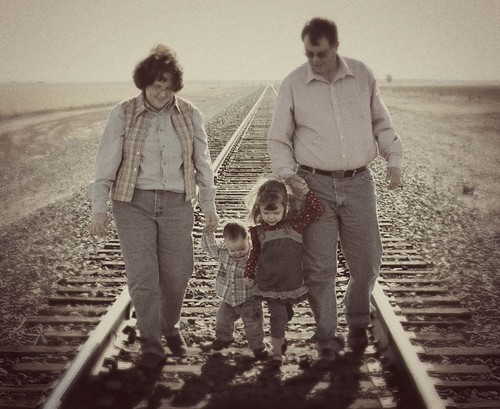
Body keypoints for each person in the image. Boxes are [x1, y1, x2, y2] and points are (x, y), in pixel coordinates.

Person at [267, 17, 403, 365]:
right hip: (313, 186)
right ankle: (326, 336)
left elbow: (381, 123)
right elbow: (279, 139)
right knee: (320, 268)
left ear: (336, 47)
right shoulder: (293, 83)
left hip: (359, 182)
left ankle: (357, 318)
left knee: (368, 262)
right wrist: (288, 176)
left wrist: (394, 158)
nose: (314, 60)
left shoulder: (362, 75)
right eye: (309, 54)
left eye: (321, 53)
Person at [89, 44, 219, 370]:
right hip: (133, 203)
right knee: (143, 276)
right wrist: (99, 208)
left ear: (175, 86)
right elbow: (106, 162)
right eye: (155, 85)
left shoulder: (190, 114)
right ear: (144, 83)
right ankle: (151, 344)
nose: (161, 92)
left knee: (178, 272)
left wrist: (209, 205)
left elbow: (202, 163)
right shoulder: (124, 113)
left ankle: (169, 326)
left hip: (177, 203)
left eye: (168, 86)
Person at [244, 176, 324, 367]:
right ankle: (277, 354)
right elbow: (255, 253)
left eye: (276, 212)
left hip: (290, 281)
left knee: (285, 315)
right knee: (277, 318)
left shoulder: (295, 225)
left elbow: (317, 210)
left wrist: (306, 193)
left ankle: (281, 331)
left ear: (285, 207)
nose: (270, 217)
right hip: (269, 283)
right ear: (259, 209)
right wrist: (249, 273)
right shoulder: (258, 231)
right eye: (266, 213)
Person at [200, 220, 268, 360]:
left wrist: (256, 279)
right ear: (226, 244)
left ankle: (258, 347)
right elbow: (209, 248)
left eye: (242, 249)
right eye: (233, 250)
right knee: (222, 319)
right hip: (228, 298)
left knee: (253, 324)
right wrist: (208, 233)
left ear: (248, 241)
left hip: (249, 298)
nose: (238, 253)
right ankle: (224, 338)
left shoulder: (255, 256)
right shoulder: (223, 252)